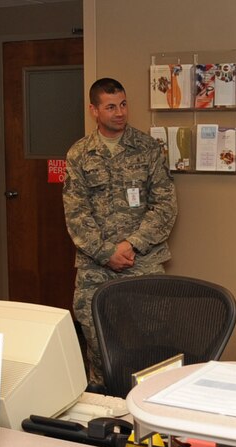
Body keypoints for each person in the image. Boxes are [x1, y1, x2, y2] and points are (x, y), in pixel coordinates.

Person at [63, 78, 178, 387]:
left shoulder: (148, 148)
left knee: (155, 343)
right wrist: (106, 253)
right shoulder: (79, 154)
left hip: (142, 261)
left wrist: (131, 244)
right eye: (111, 106)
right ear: (94, 110)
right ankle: (102, 412)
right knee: (98, 345)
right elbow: (76, 215)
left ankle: (154, 413)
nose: (119, 112)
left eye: (123, 104)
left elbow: (165, 205)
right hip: (94, 266)